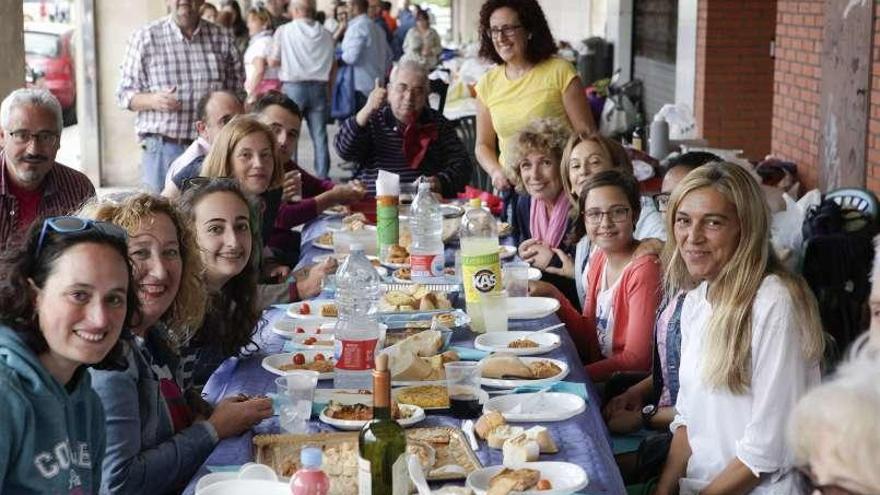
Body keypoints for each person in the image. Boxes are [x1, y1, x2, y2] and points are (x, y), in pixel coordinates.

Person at [83, 194, 273, 494]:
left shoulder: (155, 337)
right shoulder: (110, 363)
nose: (160, 270)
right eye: (141, 253)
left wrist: (211, 411)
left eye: (171, 252)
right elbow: (118, 485)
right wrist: (212, 430)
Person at [655, 162, 825, 495]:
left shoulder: (774, 302)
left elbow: (767, 452)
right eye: (683, 220)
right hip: (701, 485)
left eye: (713, 223)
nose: (693, 237)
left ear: (745, 229)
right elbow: (686, 423)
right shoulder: (696, 300)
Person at [0, 216, 136, 493]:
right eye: (79, 295)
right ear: (34, 294)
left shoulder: (88, 404)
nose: (100, 319)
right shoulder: (5, 397)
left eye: (114, 299)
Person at [539, 170, 661, 382]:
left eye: (617, 212)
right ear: (584, 218)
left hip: (625, 388)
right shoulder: (599, 258)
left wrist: (572, 377)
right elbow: (590, 335)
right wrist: (552, 294)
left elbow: (637, 360)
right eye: (594, 214)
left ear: (635, 213)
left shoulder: (645, 269)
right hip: (602, 375)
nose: (605, 223)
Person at [116, 0, 244, 192]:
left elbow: (238, 93)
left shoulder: (223, 38)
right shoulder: (145, 37)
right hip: (163, 150)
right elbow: (123, 95)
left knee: (208, 215)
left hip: (213, 149)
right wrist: (153, 100)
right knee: (157, 215)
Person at [474, 0, 595, 192]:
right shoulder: (487, 84)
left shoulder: (560, 72)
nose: (501, 38)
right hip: (514, 190)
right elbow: (482, 145)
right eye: (494, 30)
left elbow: (586, 135)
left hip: (560, 189)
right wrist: (496, 171)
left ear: (529, 30)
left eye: (508, 29)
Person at [551, 132, 666, 304]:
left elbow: (674, 251)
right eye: (575, 166)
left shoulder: (642, 211)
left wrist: (661, 246)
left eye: (595, 162)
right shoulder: (586, 218)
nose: (583, 171)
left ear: (617, 171)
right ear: (570, 183)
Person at [335, 60, 472, 197]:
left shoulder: (437, 123)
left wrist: (440, 182)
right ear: (389, 91)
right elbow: (344, 151)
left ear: (426, 95)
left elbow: (463, 166)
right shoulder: (372, 120)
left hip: (423, 208)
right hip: (376, 205)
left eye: (418, 91)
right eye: (402, 88)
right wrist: (366, 109)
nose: (409, 97)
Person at [176, 179, 261, 391]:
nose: (233, 241)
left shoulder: (231, 291)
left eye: (241, 226)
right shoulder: (179, 312)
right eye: (215, 229)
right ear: (189, 236)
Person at [0, 88, 95, 251]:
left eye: (45, 137)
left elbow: (89, 253)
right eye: (22, 135)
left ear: (59, 141)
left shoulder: (78, 189)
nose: (33, 150)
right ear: (2, 136)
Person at [506, 119, 578, 306]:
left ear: (563, 166)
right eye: (526, 165)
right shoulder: (525, 202)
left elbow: (588, 283)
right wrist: (522, 254)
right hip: (536, 300)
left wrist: (552, 261)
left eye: (545, 162)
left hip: (572, 306)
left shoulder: (581, 210)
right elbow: (520, 244)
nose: (535, 175)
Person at [271, 0, 336, 178]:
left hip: (293, 87)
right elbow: (332, 66)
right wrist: (330, 92)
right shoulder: (326, 34)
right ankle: (323, 177)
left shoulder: (284, 31)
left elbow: (273, 61)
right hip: (319, 88)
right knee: (320, 136)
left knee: (288, 135)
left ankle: (291, 175)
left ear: (297, 10)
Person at [162, 90, 244, 199]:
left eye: (241, 120)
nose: (237, 128)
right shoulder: (191, 167)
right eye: (226, 121)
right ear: (202, 128)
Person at [341, 0, 393, 111]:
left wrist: (339, 56)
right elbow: (389, 57)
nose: (346, 9)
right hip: (377, 84)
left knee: (358, 125)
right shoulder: (378, 29)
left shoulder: (357, 27)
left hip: (360, 87)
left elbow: (350, 57)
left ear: (354, 7)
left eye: (348, 5)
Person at [243, 6, 281, 103]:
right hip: (270, 88)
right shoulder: (268, 40)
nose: (248, 25)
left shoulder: (261, 43)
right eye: (248, 21)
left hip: (261, 90)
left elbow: (259, 70)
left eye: (252, 21)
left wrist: (250, 93)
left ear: (264, 23)